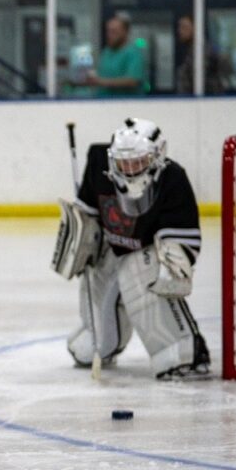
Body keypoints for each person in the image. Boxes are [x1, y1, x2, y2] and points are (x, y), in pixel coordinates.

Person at [53, 118, 210, 380]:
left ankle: (178, 350)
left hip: (143, 254)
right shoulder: (98, 164)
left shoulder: (173, 180)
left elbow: (182, 239)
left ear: (157, 157)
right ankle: (99, 338)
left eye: (138, 162)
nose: (129, 170)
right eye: (123, 163)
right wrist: (82, 239)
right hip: (113, 248)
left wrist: (172, 265)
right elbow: (89, 213)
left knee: (142, 272)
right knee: (97, 275)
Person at [82, 14, 146, 97]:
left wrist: (102, 82)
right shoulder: (107, 52)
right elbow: (101, 74)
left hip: (125, 105)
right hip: (103, 103)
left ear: (125, 32)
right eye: (108, 31)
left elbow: (132, 81)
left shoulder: (133, 53)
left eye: (114, 32)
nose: (109, 35)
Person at [174, 15, 227, 95]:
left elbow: (201, 80)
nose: (180, 31)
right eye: (179, 27)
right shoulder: (189, 51)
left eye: (184, 27)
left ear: (196, 28)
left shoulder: (201, 51)